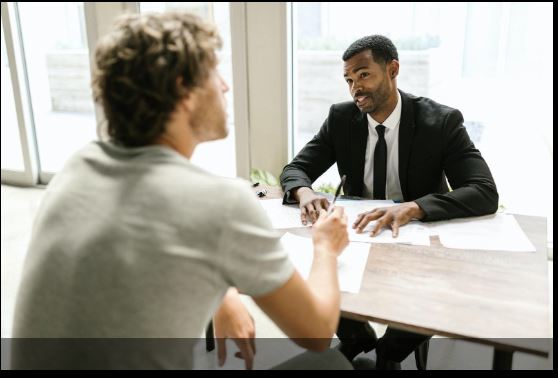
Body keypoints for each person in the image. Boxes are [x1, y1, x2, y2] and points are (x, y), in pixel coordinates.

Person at [10, 11, 353, 370]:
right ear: (182, 90)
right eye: (214, 72)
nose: (225, 86)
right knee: (330, 363)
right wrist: (325, 247)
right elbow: (315, 331)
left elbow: (142, 245)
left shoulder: (76, 168)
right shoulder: (221, 203)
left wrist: (224, 293)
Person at [280, 35, 499, 369]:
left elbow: (483, 190)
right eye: (349, 80)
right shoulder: (341, 119)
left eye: (364, 74)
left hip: (414, 240)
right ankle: (356, 338)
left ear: (393, 69)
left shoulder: (440, 122)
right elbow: (296, 169)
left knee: (435, 292)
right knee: (311, 264)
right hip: (359, 234)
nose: (355, 87)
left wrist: (414, 207)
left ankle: (389, 354)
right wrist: (305, 192)